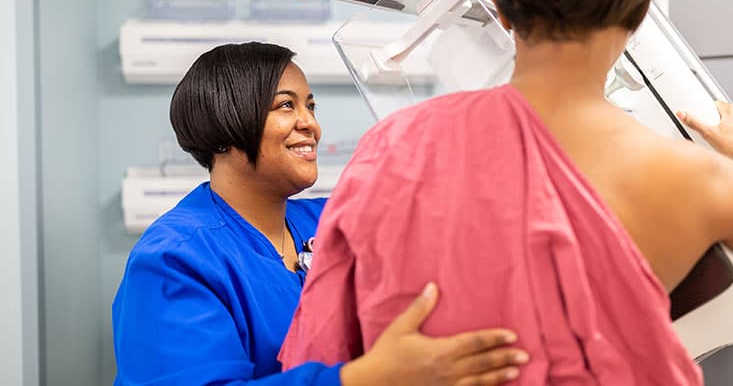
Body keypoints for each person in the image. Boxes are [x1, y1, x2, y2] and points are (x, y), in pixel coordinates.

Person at [277, 0, 733, 384]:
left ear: (497, 5)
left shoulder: (394, 149)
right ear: (639, 11)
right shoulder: (699, 181)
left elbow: (321, 336)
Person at [111, 42, 530, 385]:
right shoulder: (174, 261)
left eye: (310, 106)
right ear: (223, 127)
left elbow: (443, 222)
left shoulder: (331, 220)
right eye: (286, 106)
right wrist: (367, 378)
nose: (310, 124)